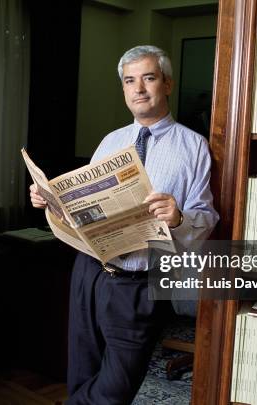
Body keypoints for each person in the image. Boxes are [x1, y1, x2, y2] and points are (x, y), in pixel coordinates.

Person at [30, 45, 218, 404]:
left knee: (116, 387)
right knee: (82, 372)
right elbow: (83, 208)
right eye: (130, 81)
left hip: (139, 284)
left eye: (148, 78)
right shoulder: (111, 142)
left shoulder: (194, 147)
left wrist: (179, 218)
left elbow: (206, 218)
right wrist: (50, 202)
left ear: (167, 84)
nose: (139, 89)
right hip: (90, 273)